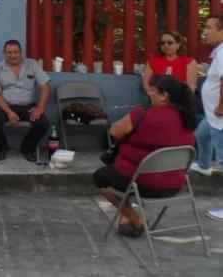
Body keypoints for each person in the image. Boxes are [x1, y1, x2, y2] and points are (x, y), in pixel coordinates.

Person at [93, 75, 197, 237]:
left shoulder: (143, 114)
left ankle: (135, 219)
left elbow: (114, 131)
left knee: (101, 177)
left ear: (164, 96)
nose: (150, 94)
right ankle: (125, 218)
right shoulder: (188, 119)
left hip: (143, 181)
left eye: (153, 91)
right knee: (121, 172)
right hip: (175, 184)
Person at [0, 40, 50, 162]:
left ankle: (27, 148)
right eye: (9, 52)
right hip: (4, 105)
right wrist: (9, 112)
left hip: (27, 106)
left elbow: (46, 86)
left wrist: (40, 107)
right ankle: (2, 148)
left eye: (15, 52)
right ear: (4, 53)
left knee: (42, 124)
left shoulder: (32, 65)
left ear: (21, 52)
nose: (13, 55)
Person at [190, 15, 223, 181]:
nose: (205, 32)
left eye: (210, 28)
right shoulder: (218, 52)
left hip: (219, 116)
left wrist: (221, 107)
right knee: (202, 135)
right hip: (212, 114)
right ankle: (203, 165)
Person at [143, 30, 198, 95]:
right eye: (163, 43)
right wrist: (151, 94)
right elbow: (146, 81)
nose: (166, 45)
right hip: (156, 98)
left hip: (180, 99)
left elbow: (190, 88)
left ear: (178, 45)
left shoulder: (190, 62)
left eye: (169, 42)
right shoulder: (153, 59)